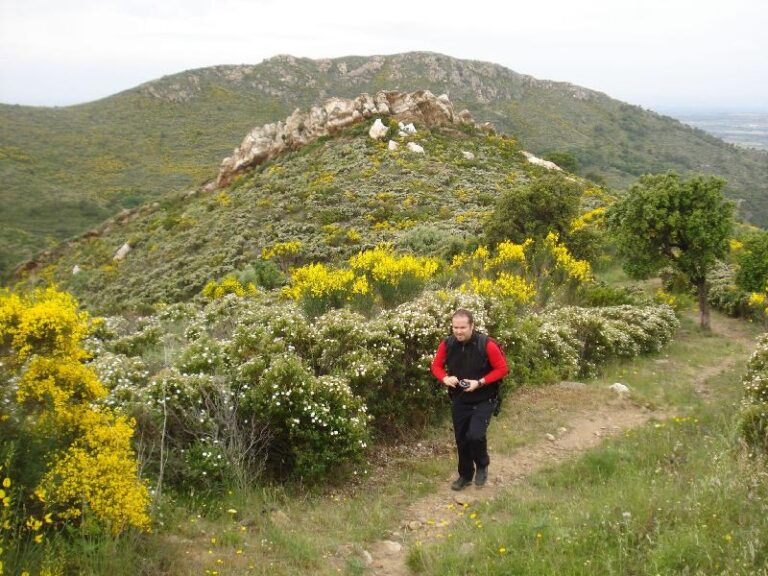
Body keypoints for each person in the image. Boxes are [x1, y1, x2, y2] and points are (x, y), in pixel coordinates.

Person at [431, 308, 508, 490]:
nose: (458, 331)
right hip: (460, 399)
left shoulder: (486, 344)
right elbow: (436, 366)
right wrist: (445, 378)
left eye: (463, 327)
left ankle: (482, 464)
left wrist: (479, 382)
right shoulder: (447, 344)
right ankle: (465, 475)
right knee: (462, 440)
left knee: (475, 435)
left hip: (484, 397)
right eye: (455, 327)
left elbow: (502, 369)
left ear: (472, 326)